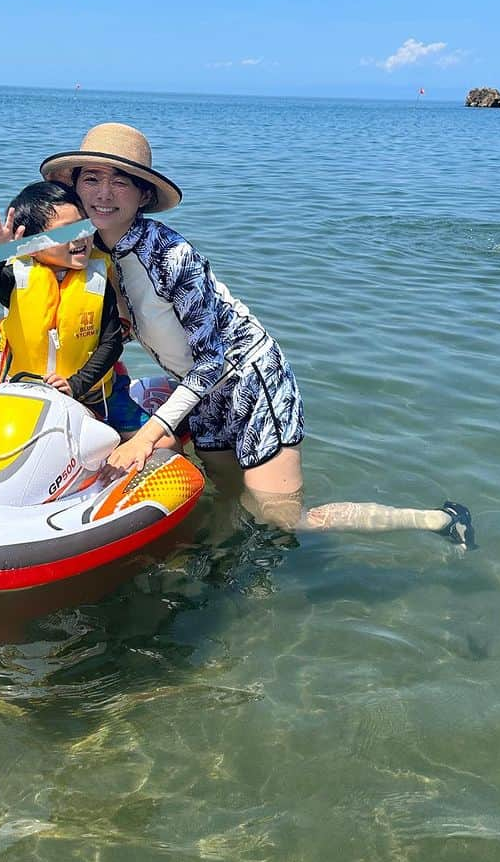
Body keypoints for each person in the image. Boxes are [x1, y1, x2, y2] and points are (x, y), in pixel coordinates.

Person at [39, 124, 474, 546]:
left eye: (120, 182)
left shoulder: (171, 256)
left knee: (282, 519)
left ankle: (440, 520)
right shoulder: (85, 244)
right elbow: (12, 260)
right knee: (228, 496)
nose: (103, 193)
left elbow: (213, 358)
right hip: (202, 392)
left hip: (252, 381)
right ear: (75, 188)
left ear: (144, 194)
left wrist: (150, 435)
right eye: (91, 179)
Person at [0, 180, 149, 435]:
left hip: (91, 391)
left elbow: (111, 345)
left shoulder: (97, 282)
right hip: (23, 388)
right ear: (31, 243)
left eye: (84, 226)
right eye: (65, 232)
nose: (81, 237)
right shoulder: (17, 279)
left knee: (162, 442)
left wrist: (75, 385)